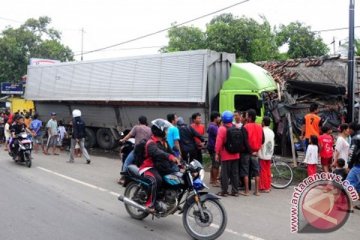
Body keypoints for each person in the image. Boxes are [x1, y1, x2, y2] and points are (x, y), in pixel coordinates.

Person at [139, 119, 180, 212]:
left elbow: (171, 152)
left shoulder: (164, 142)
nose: (166, 131)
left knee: (175, 177)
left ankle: (170, 200)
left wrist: (180, 161)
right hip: (149, 167)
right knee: (157, 180)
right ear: (160, 131)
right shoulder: (151, 143)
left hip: (159, 167)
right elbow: (158, 153)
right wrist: (170, 157)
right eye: (165, 130)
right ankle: (150, 204)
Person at [118, 116, 152, 184]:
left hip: (137, 150)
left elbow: (129, 135)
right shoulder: (150, 129)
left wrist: (122, 140)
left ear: (139, 121)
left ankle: (123, 178)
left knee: (127, 162)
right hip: (146, 150)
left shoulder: (136, 127)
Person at [215, 111, 240, 197]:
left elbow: (218, 143)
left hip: (225, 155)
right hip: (236, 154)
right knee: (235, 174)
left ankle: (224, 191)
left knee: (225, 174)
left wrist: (217, 153)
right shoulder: (236, 126)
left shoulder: (222, 129)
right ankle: (235, 191)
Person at [241, 109, 264, 196]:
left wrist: (250, 151)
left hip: (247, 152)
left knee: (245, 171)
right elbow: (263, 140)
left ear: (249, 117)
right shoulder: (259, 127)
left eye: (247, 115)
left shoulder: (245, 127)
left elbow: (245, 141)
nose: (246, 117)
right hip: (255, 153)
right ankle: (257, 191)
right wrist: (256, 149)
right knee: (256, 172)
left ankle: (246, 191)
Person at [258, 117, 275, 193]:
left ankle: (265, 187)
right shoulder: (271, 132)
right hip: (269, 153)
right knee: (268, 170)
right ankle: (268, 185)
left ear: (263, 122)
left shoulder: (262, 131)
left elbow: (260, 142)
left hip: (263, 153)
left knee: (263, 171)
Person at [346, 124, 360, 210]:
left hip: (358, 165)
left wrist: (349, 165)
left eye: (348, 128)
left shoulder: (356, 138)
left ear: (352, 129)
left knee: (348, 183)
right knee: (358, 185)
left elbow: (353, 153)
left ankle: (348, 206)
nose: (348, 130)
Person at [207, 111, 221, 187]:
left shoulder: (211, 126)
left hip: (211, 147)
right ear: (215, 118)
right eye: (219, 117)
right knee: (216, 164)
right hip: (213, 147)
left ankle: (212, 179)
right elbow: (218, 137)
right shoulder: (214, 127)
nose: (220, 118)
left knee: (214, 163)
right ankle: (215, 181)